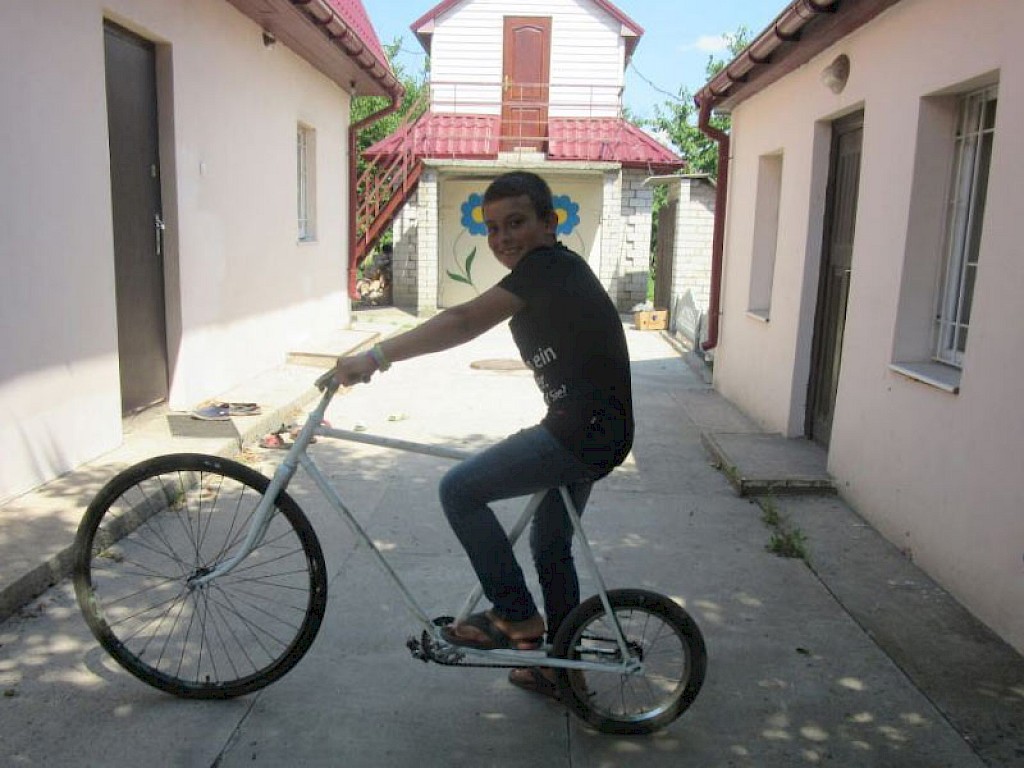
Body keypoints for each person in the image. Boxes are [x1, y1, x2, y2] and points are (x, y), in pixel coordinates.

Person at [329, 171, 633, 699]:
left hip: (581, 431)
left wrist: (375, 357)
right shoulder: (552, 271)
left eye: (516, 223)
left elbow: (464, 320)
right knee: (550, 545)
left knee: (460, 489)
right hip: (595, 429)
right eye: (492, 228)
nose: (502, 238)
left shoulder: (547, 266)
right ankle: (561, 670)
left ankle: (514, 616)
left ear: (549, 223)